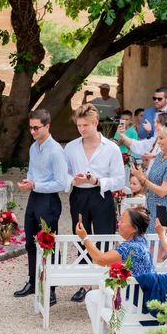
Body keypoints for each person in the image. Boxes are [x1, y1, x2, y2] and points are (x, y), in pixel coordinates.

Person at [64, 103, 125, 302]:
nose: (82, 129)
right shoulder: (71, 147)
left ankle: (104, 282)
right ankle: (84, 284)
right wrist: (73, 180)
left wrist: (97, 181)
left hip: (101, 195)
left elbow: (119, 179)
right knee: (81, 237)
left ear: (95, 123)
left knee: (104, 236)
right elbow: (63, 173)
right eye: (79, 125)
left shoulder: (112, 148)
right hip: (79, 196)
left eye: (86, 125)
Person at [77, 206, 155, 334]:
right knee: (107, 294)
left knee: (92, 296)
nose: (118, 223)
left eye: (123, 221)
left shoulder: (130, 248)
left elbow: (101, 259)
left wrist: (85, 238)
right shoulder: (142, 241)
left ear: (134, 228)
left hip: (135, 306)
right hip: (145, 300)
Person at [13, 109, 69, 305]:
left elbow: (62, 183)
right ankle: (33, 281)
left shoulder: (56, 151)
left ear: (47, 126)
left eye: (36, 128)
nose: (33, 131)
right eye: (30, 128)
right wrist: (28, 181)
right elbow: (32, 170)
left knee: (49, 245)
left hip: (49, 200)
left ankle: (51, 288)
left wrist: (36, 185)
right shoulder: (34, 147)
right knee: (30, 242)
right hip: (35, 198)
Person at [131, 120, 167, 234]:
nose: (159, 142)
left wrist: (142, 179)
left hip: (163, 210)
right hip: (151, 207)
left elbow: (163, 191)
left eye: (161, 138)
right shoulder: (161, 155)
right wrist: (140, 174)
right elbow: (153, 181)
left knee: (158, 247)